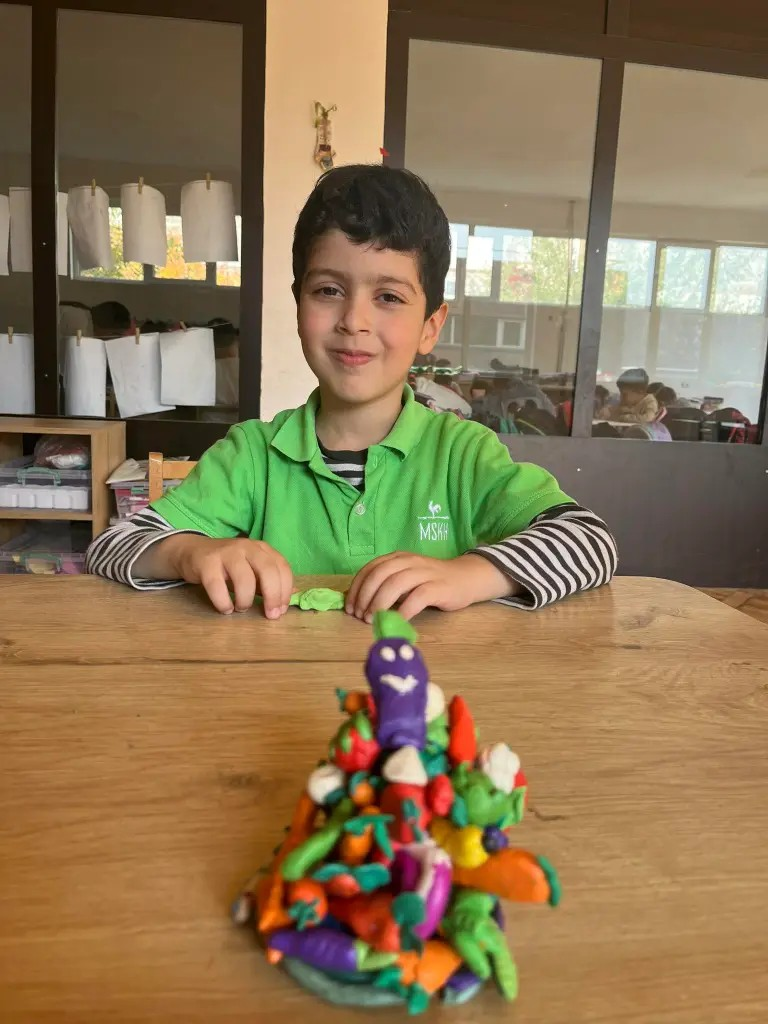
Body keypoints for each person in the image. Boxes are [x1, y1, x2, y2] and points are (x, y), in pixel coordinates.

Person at [86, 165, 616, 620]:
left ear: (430, 326)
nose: (354, 321)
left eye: (389, 297)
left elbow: (589, 541)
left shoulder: (463, 455)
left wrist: (470, 575)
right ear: (299, 305)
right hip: (273, 696)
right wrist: (190, 553)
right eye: (329, 290)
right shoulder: (252, 455)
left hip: (419, 704)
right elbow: (113, 545)